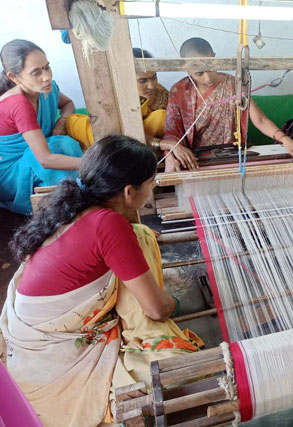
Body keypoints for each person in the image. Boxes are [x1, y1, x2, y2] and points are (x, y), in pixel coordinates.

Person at [0, 135, 203, 427]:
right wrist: (174, 301)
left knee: (142, 235)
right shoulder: (108, 224)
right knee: (171, 363)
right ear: (130, 192)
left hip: (28, 325)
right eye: (151, 184)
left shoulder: (73, 207)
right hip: (50, 346)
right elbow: (157, 310)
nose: (152, 189)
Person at [162, 37, 293, 172]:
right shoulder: (180, 91)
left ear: (215, 57)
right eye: (199, 73)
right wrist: (170, 155)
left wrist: (285, 139)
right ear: (186, 69)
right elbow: (172, 132)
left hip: (232, 159)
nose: (208, 77)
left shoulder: (234, 84)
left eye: (211, 68)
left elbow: (259, 119)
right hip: (195, 161)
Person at [0, 39, 82, 215]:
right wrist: (93, 164)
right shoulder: (18, 104)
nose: (46, 77)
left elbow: (68, 104)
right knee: (58, 146)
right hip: (12, 174)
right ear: (14, 77)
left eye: (47, 67)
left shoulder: (46, 89)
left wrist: (61, 123)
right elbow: (45, 159)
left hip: (39, 157)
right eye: (36, 72)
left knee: (63, 141)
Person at [65, 48, 170, 151]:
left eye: (154, 77)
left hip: (139, 134)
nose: (151, 86)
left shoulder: (160, 93)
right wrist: (157, 143)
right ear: (125, 78)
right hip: (114, 132)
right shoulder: (112, 94)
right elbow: (113, 130)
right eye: (142, 81)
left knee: (161, 117)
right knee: (72, 121)